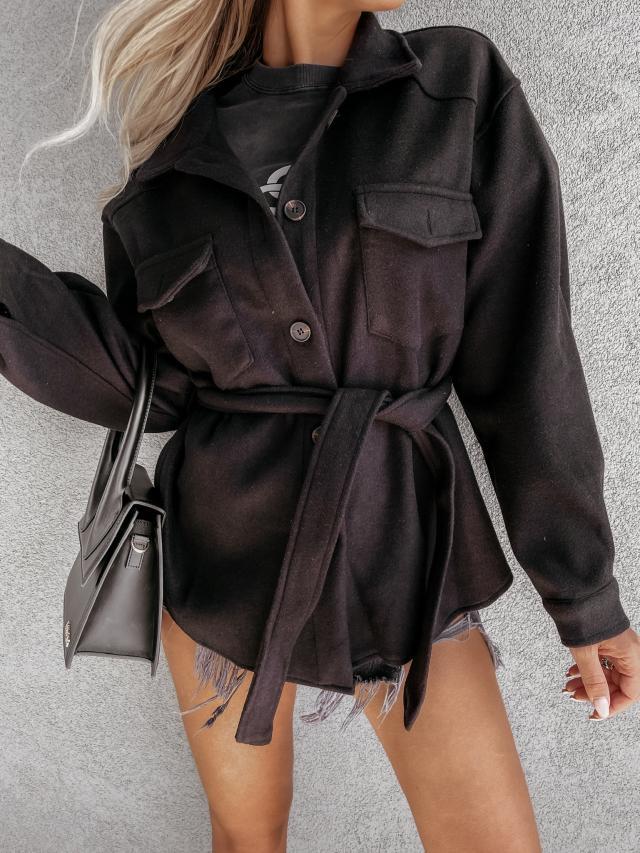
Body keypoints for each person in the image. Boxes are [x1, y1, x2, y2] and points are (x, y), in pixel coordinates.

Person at [2, 1, 638, 851]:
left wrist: (584, 595)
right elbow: (154, 386)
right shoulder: (169, 166)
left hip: (408, 557)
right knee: (246, 838)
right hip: (222, 567)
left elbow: (528, 358)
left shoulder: (454, 89)